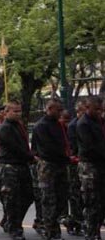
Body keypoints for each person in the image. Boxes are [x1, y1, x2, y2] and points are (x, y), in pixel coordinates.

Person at [32, 100, 70, 240]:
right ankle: (49, 230)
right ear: (49, 109)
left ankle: (54, 228)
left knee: (61, 198)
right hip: (48, 166)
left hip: (60, 164)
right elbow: (47, 149)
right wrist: (65, 157)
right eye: (57, 110)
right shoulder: (41, 126)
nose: (60, 113)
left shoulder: (58, 125)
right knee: (49, 199)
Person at [0, 101, 34, 240]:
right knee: (12, 199)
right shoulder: (5, 127)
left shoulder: (18, 126)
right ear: (6, 112)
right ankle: (15, 228)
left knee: (28, 196)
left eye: (19, 111)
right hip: (10, 166)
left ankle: (11, 221)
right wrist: (31, 156)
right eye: (15, 111)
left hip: (22, 165)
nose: (18, 114)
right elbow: (15, 148)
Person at [76, 97, 105, 240]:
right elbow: (90, 147)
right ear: (88, 108)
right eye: (97, 109)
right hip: (89, 166)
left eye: (101, 109)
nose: (100, 112)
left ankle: (96, 231)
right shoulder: (84, 124)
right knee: (91, 201)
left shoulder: (99, 121)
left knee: (101, 201)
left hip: (100, 165)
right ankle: (91, 233)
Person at [65, 101, 85, 236]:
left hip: (84, 162)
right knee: (76, 195)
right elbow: (73, 146)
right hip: (76, 163)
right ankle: (74, 222)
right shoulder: (74, 126)